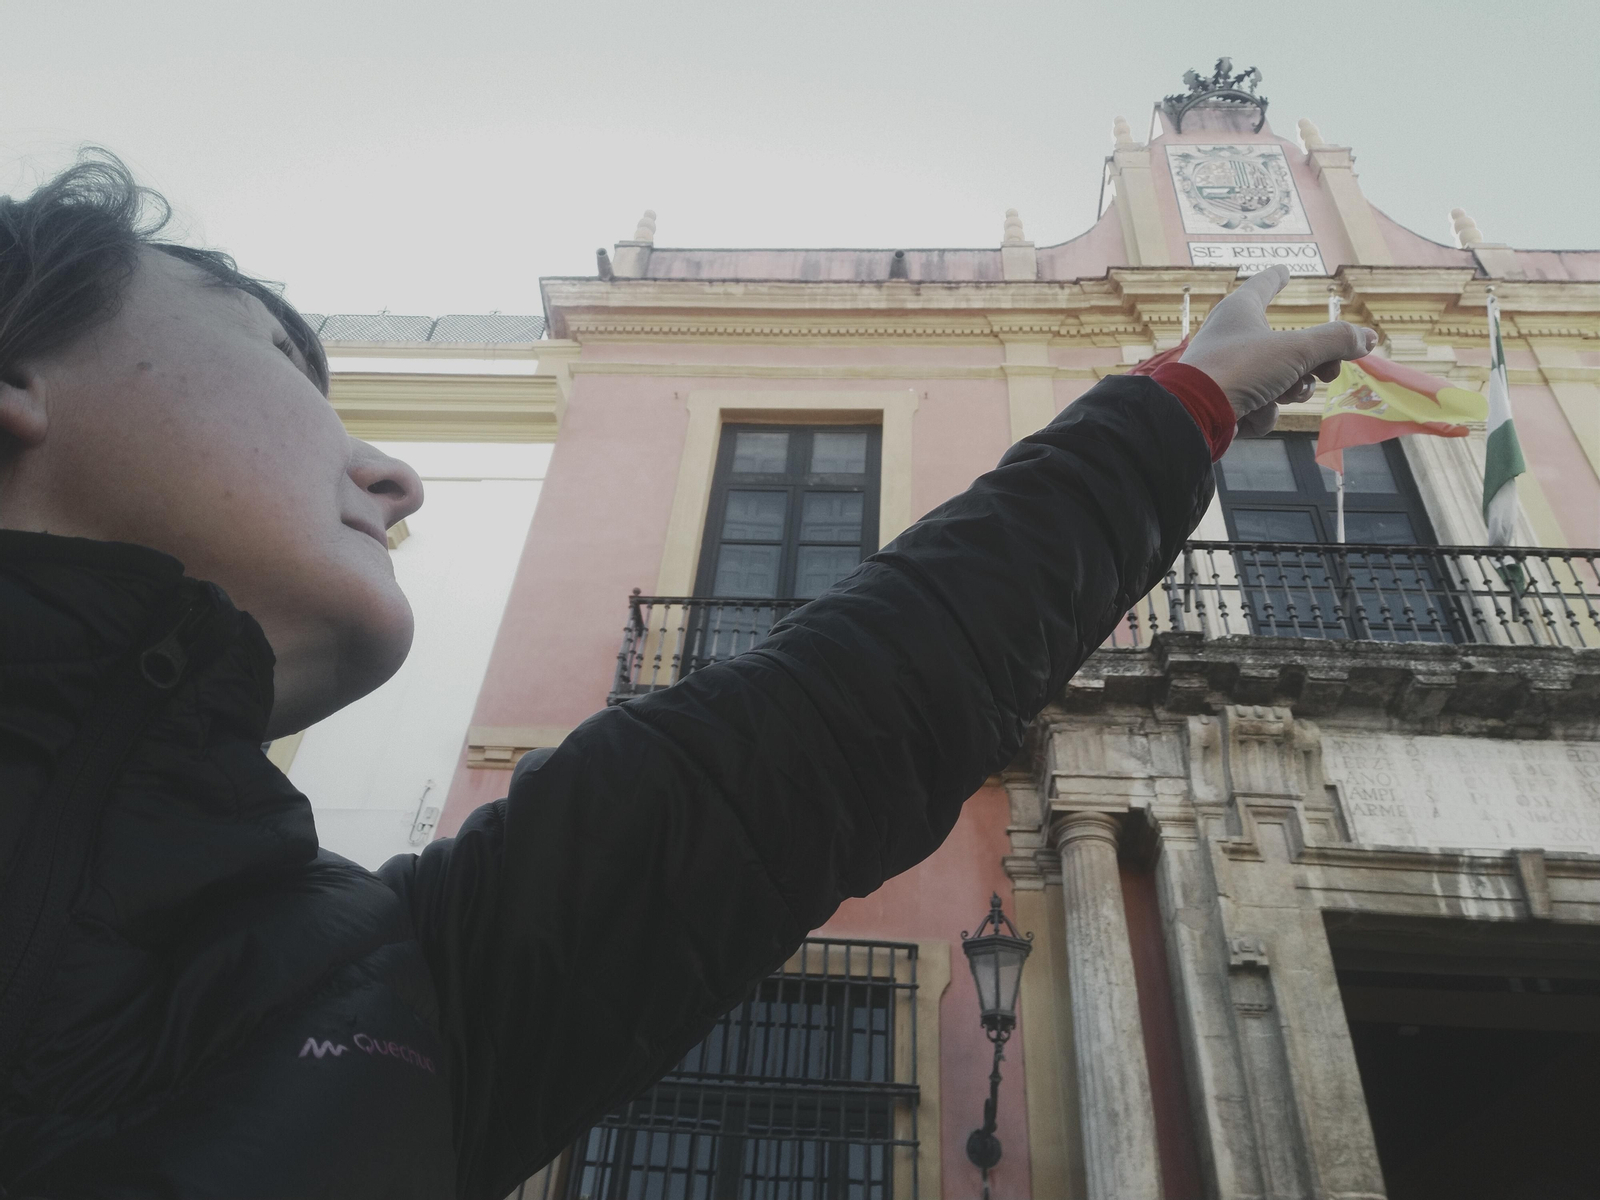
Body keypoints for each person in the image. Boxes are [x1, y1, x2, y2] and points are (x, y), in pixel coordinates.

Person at [0, 153, 1374, 1198]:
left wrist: (1183, 406)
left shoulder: (380, 992)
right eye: (282, 365)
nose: (391, 473)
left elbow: (807, 737)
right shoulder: (367, 996)